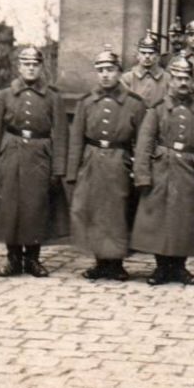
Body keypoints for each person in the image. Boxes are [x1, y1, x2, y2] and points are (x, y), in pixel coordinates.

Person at [131, 55, 194, 286]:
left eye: (186, 78)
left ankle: (179, 268)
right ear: (170, 80)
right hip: (161, 170)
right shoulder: (157, 110)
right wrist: (142, 175)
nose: (182, 82)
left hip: (189, 171)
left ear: (192, 81)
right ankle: (161, 268)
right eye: (178, 78)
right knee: (160, 220)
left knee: (183, 219)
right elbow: (145, 144)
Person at [0, 45, 67, 279]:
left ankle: (32, 259)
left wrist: (58, 168)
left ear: (41, 67)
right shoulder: (4, 95)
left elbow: (61, 134)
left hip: (40, 155)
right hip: (11, 152)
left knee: (35, 207)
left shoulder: (53, 96)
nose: (31, 68)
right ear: (19, 67)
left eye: (35, 64)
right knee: (11, 207)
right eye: (26, 64)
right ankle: (12, 259)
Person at [68, 45, 147, 281]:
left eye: (110, 69)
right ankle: (100, 262)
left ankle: (116, 263)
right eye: (100, 69)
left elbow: (143, 140)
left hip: (119, 162)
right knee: (94, 211)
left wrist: (138, 169)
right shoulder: (86, 102)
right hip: (92, 161)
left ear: (119, 72)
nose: (105, 74)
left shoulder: (135, 103)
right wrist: (73, 173)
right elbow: (76, 140)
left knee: (117, 213)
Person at [120, 29, 168, 108]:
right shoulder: (127, 78)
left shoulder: (167, 78)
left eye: (151, 53)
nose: (147, 56)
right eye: (143, 53)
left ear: (157, 56)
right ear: (138, 55)